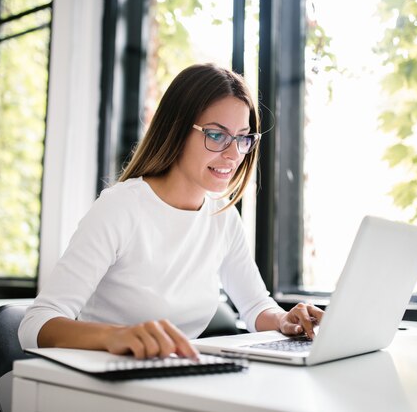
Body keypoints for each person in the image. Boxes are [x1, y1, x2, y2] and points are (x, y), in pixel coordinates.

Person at [18, 63, 324, 359]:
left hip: (173, 378)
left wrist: (285, 320)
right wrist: (114, 337)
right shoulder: (120, 208)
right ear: (177, 130)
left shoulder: (223, 217)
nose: (233, 154)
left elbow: (256, 305)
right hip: (103, 380)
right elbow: (36, 323)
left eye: (243, 138)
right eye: (216, 135)